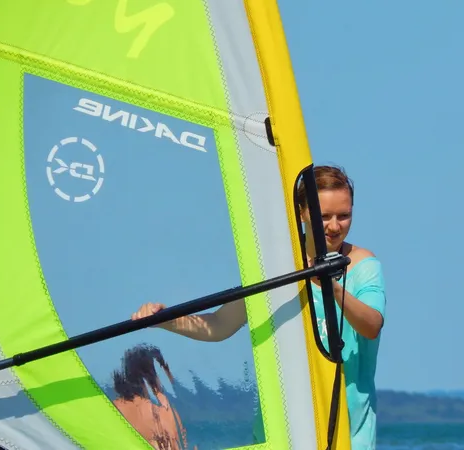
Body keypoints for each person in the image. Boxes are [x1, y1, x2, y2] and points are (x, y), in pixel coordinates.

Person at [132, 165, 386, 449]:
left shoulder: (363, 265)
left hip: (346, 432)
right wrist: (164, 320)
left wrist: (334, 287)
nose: (335, 226)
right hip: (282, 430)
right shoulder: (276, 265)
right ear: (302, 212)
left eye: (344, 215)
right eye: (324, 216)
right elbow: (219, 325)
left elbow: (371, 325)